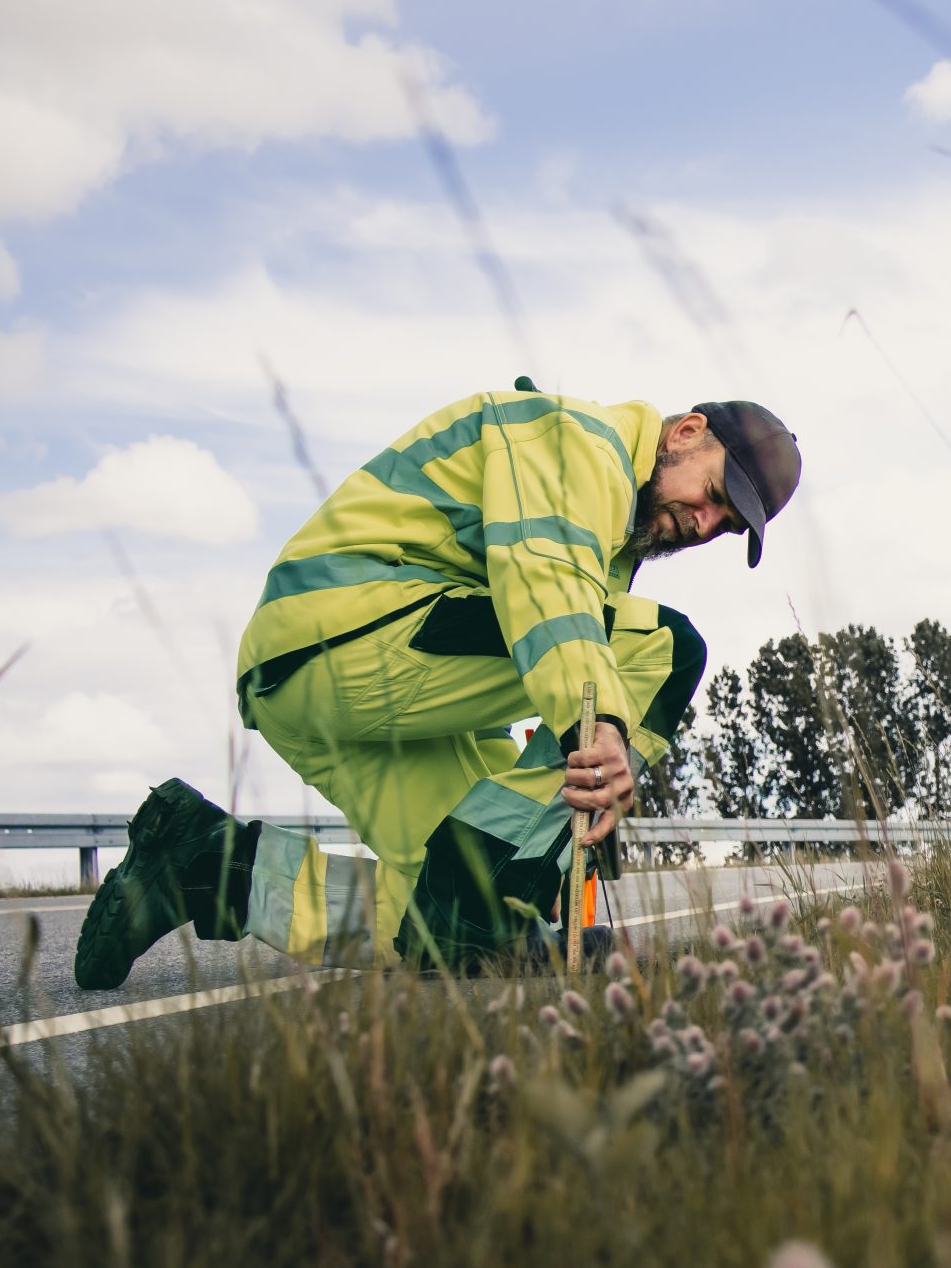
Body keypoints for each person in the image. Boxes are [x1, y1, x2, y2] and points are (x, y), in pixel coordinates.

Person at [72, 385, 801, 984]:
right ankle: (504, 887)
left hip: (343, 685)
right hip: (346, 632)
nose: (702, 521)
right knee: (668, 648)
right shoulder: (575, 442)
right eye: (711, 492)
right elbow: (545, 589)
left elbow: (521, 631)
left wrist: (538, 836)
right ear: (686, 431)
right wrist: (598, 727)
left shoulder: (612, 538)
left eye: (724, 524)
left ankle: (203, 864)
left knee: (457, 926)